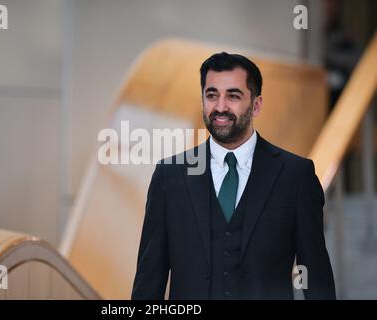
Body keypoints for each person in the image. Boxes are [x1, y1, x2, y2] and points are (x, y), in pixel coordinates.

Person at [131, 52, 336, 300]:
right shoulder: (169, 176)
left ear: (256, 105)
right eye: (212, 95)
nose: (220, 107)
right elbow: (149, 280)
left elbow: (316, 278)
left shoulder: (296, 176)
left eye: (233, 95)